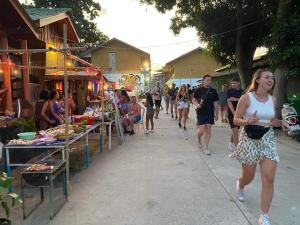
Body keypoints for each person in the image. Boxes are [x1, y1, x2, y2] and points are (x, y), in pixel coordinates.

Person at [232, 69, 289, 225]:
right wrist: (247, 121)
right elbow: (236, 120)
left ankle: (264, 216)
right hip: (249, 138)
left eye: (272, 78)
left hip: (267, 138)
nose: (271, 80)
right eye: (267, 77)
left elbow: (271, 121)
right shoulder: (246, 98)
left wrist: (281, 123)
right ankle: (241, 184)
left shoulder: (273, 99)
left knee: (269, 178)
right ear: (257, 80)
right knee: (248, 176)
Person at [192, 75, 219, 155]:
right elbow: (193, 99)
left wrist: (216, 113)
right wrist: (197, 104)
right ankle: (198, 137)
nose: (209, 82)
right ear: (203, 81)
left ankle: (206, 147)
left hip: (210, 113)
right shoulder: (198, 90)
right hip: (201, 112)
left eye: (210, 80)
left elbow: (215, 103)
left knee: (208, 130)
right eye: (207, 80)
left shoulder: (213, 91)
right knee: (201, 130)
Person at [227, 78, 244, 152]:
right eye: (231, 83)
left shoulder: (242, 92)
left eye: (234, 83)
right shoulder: (229, 91)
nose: (232, 85)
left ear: (238, 83)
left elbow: (244, 101)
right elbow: (229, 102)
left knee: (236, 130)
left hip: (240, 114)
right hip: (232, 114)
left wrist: (237, 99)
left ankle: (231, 144)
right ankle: (238, 149)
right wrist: (234, 114)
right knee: (235, 131)